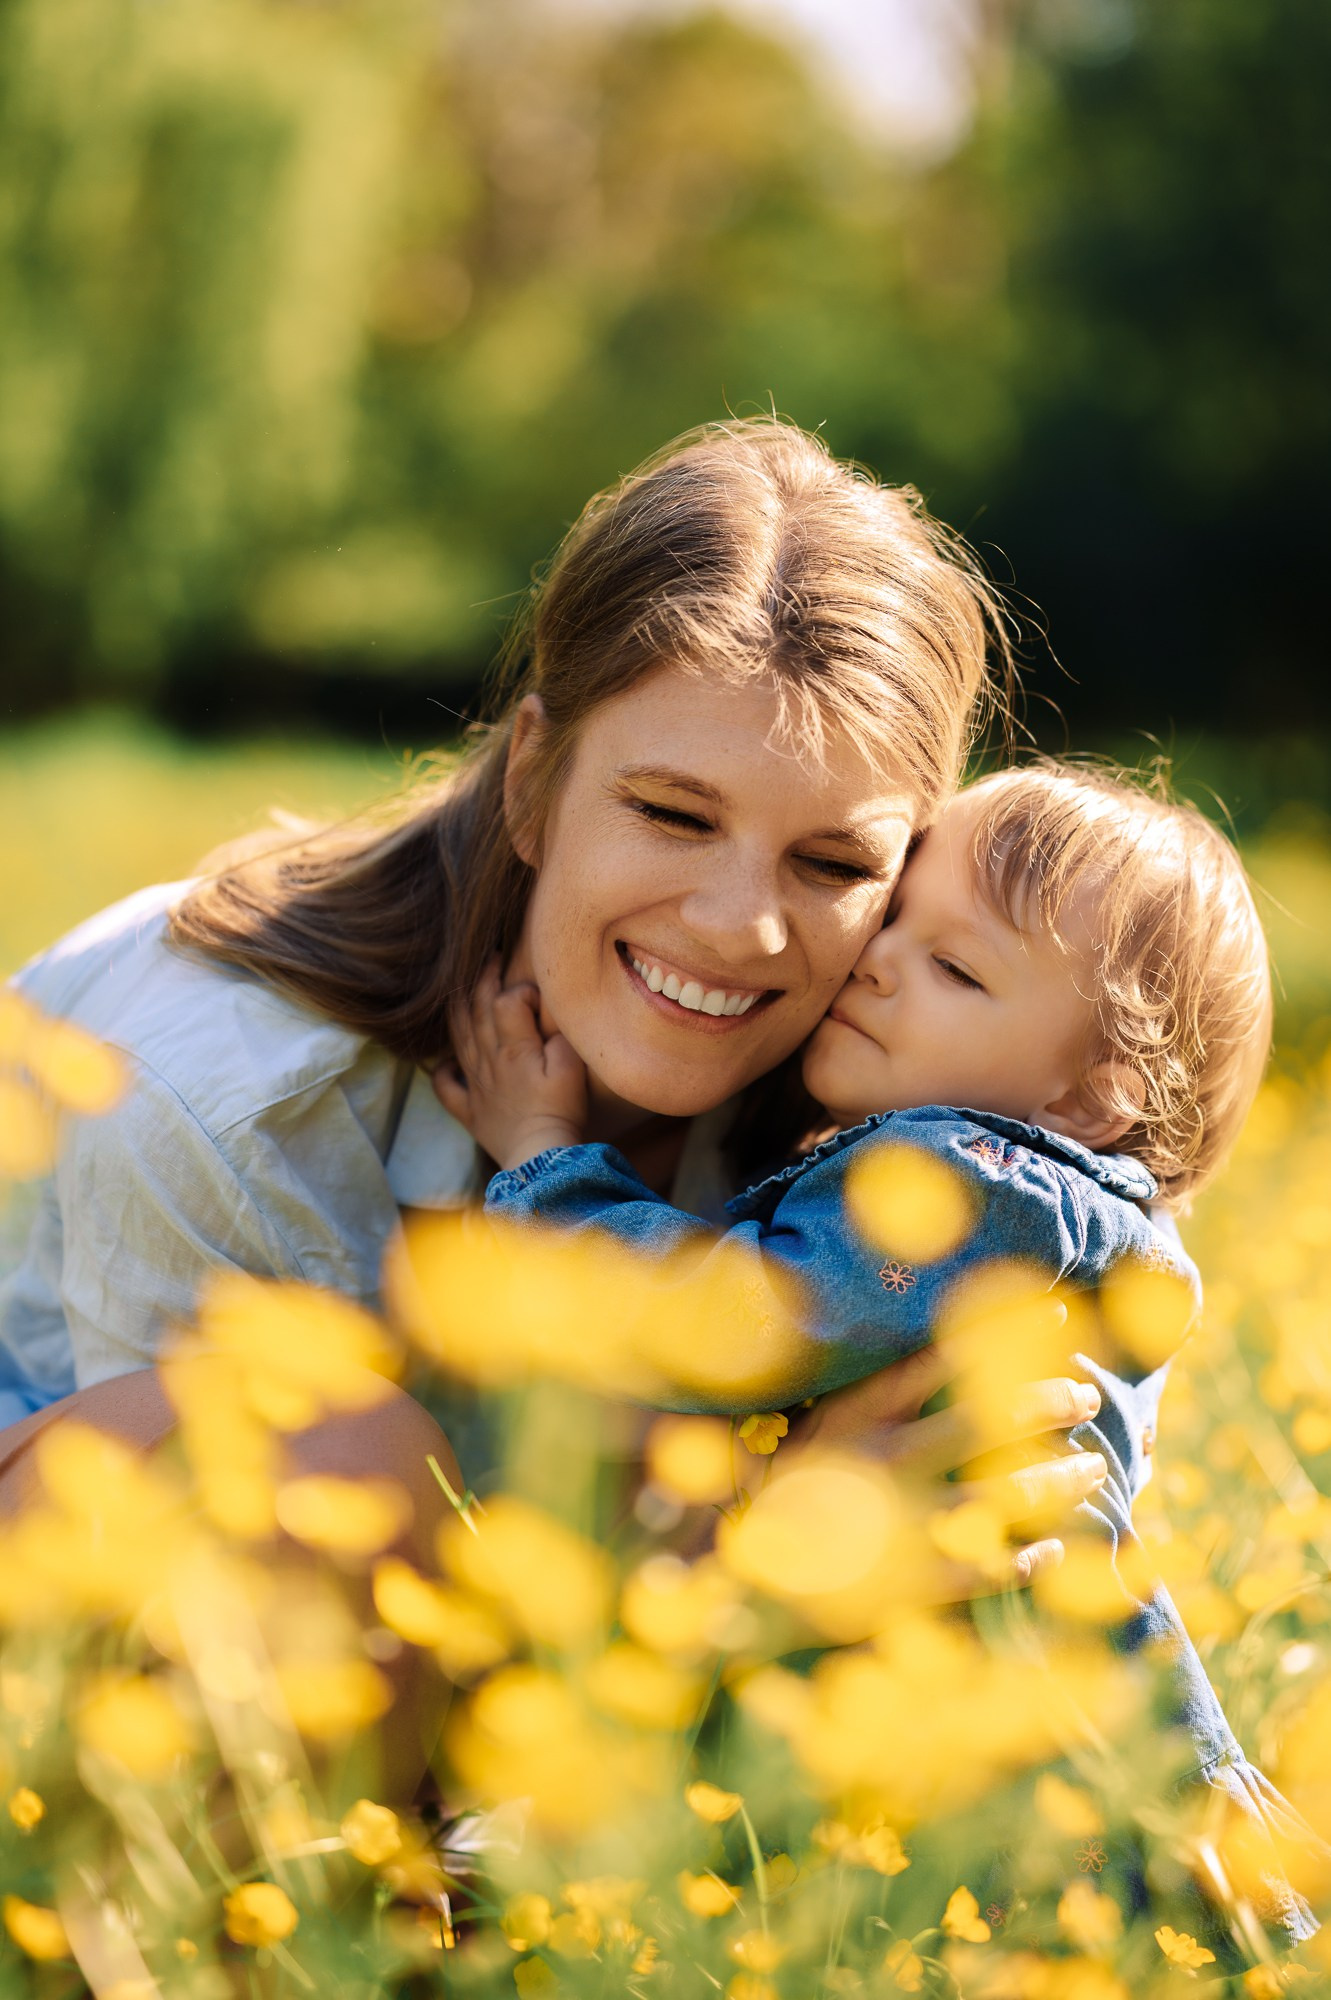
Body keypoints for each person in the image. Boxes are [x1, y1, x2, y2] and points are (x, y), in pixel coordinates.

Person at [0, 419, 1096, 1574]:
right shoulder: (218, 1087)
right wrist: (765, 1556)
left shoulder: (913, 1110)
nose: (739, 927)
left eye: (831, 865)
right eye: (674, 814)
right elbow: (229, 1652)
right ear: (531, 776)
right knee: (338, 1456)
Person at [447, 757, 1320, 1940]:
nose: (872, 957)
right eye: (894, 914)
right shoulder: (1058, 1204)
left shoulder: (978, 1184)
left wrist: (544, 1160)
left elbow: (727, 1324)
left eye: (952, 965)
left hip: (999, 1792)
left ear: (1089, 1097)